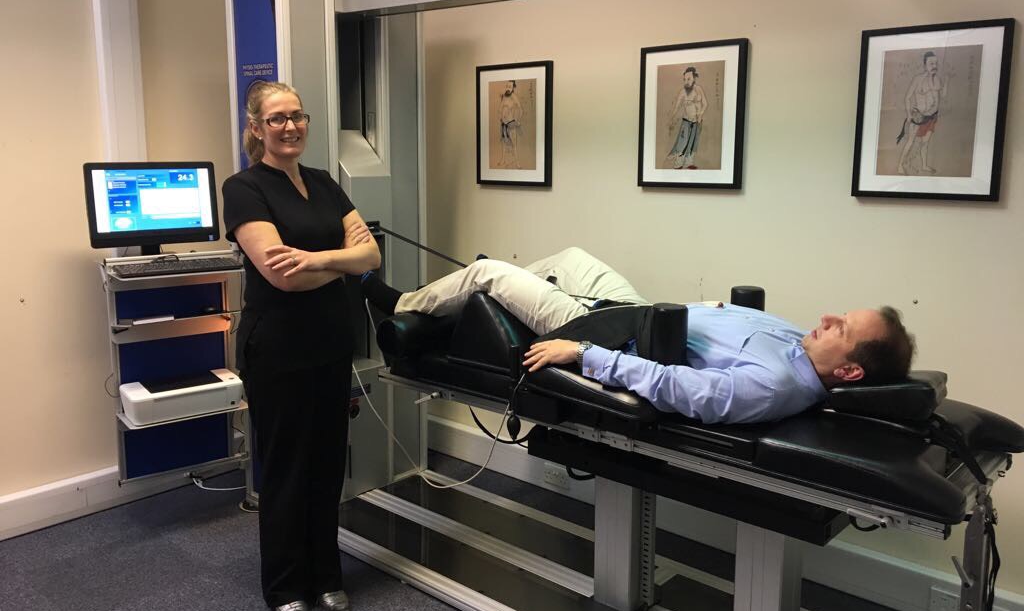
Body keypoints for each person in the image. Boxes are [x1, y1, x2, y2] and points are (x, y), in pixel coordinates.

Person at [361, 247, 915, 426]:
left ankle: (407, 305)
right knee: (572, 257)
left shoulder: (773, 386)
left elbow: (675, 387)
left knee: (489, 272)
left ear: (850, 371)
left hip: (605, 337)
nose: (828, 318)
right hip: (635, 311)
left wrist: (584, 353)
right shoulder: (795, 340)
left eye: (842, 328)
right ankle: (474, 302)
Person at [222, 81, 380, 611]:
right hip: (278, 350)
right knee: (287, 469)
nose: (290, 127)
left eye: (297, 116)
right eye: (277, 118)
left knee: (327, 465)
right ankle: (286, 585)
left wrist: (315, 259)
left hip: (330, 343)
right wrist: (339, 261)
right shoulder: (244, 188)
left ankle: (326, 576)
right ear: (256, 127)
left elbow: (371, 255)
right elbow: (280, 276)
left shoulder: (324, 183)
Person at [896, 51, 947, 175]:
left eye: (935, 63)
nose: (934, 66)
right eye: (931, 63)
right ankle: (900, 166)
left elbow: (943, 96)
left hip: (932, 117)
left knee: (925, 143)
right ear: (925, 65)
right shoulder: (918, 79)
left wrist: (947, 81)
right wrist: (909, 114)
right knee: (910, 141)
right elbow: (907, 97)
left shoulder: (937, 80)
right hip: (919, 117)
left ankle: (924, 165)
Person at [666, 66, 708, 170]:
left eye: (689, 79)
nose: (686, 82)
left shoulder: (699, 89)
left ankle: (688, 163)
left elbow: (705, 104)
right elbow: (676, 107)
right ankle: (678, 164)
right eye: (684, 79)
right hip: (686, 122)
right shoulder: (682, 92)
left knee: (693, 143)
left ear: (694, 78)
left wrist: (700, 114)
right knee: (682, 143)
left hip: (697, 122)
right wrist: (671, 118)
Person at [497, 80, 524, 168]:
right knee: (504, 142)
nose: (508, 88)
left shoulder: (514, 97)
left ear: (513, 88)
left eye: (510, 87)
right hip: (503, 123)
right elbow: (499, 109)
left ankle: (517, 163)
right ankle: (503, 160)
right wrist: (501, 116)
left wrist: (517, 120)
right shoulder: (504, 97)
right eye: (507, 86)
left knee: (514, 144)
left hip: (511, 123)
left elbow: (520, 109)